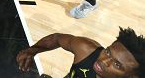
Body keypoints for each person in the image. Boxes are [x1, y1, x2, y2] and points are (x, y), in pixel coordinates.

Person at [16, 27, 145, 77]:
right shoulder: (86, 50)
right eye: (108, 52)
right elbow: (57, 39)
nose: (104, 61)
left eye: (117, 65)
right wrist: (31, 51)